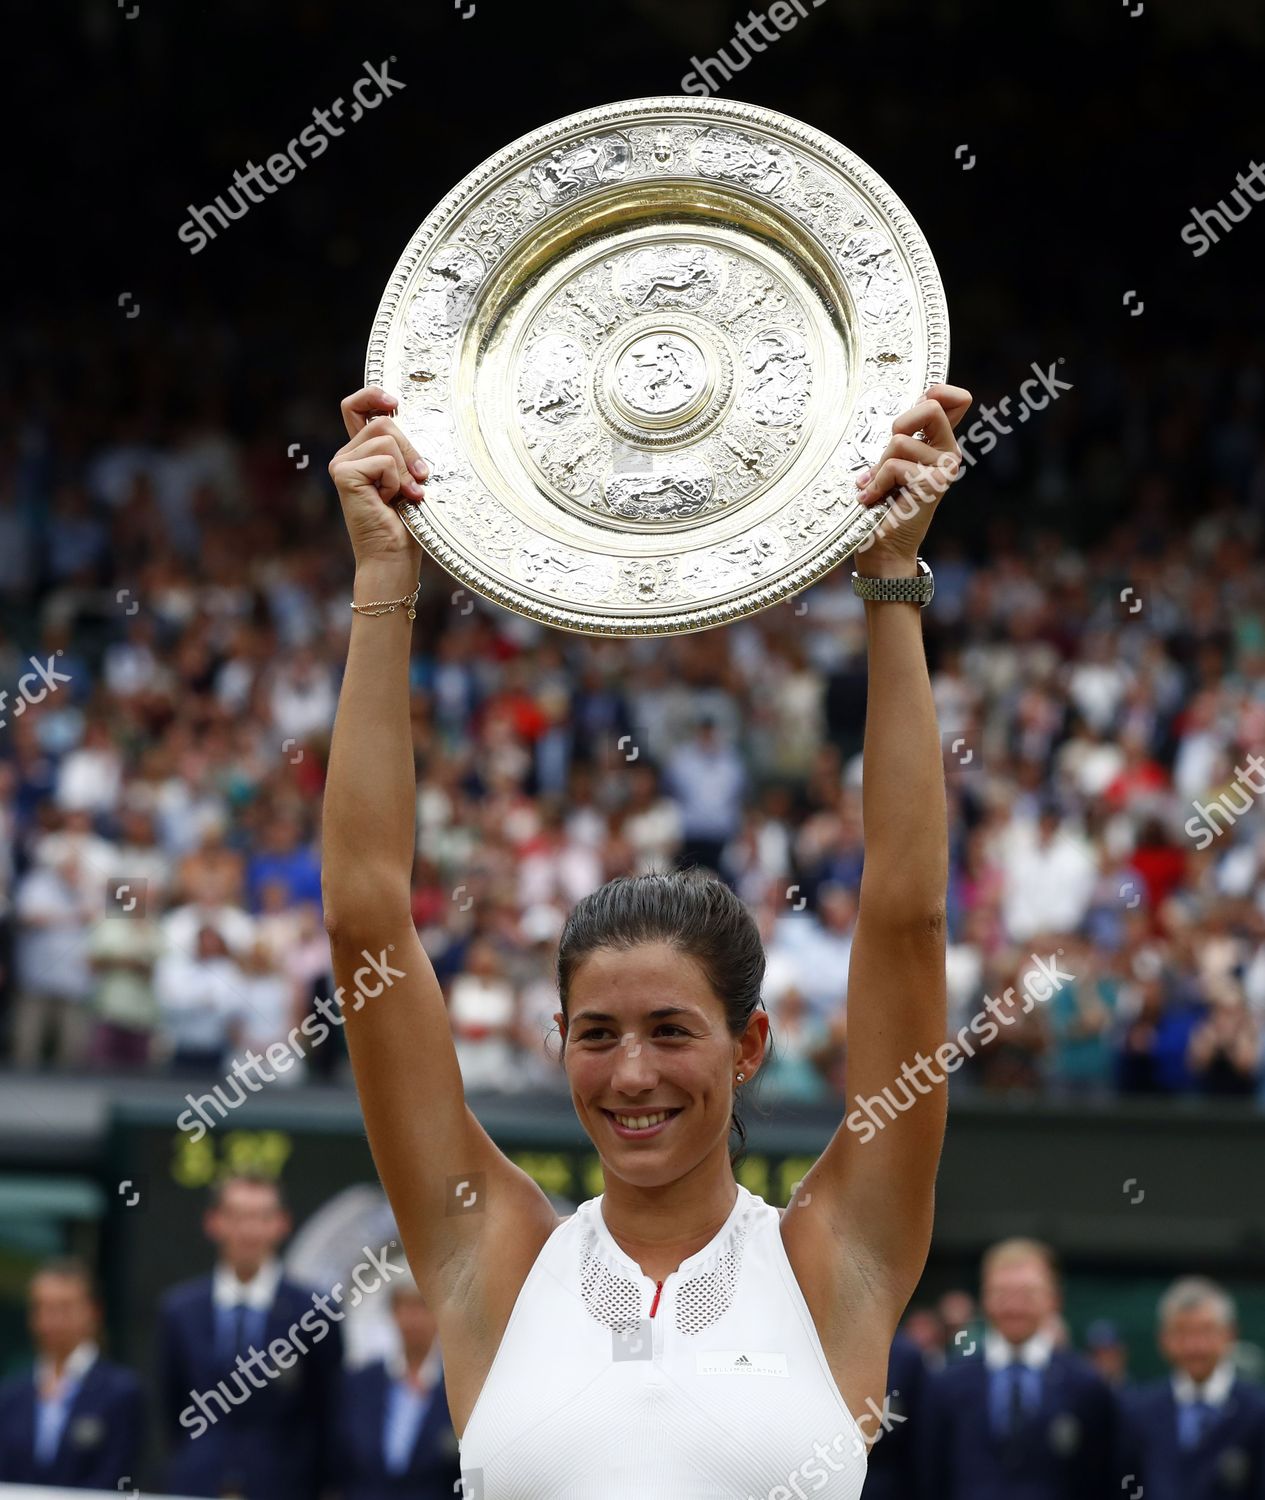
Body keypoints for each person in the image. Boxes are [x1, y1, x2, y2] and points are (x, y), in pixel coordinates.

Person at [321, 378, 971, 1499]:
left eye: (671, 1031)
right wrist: (384, 582)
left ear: (749, 1042)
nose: (630, 1075)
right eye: (596, 1033)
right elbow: (364, 917)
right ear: (556, 1039)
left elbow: (906, 919)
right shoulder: (494, 1258)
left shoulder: (830, 1256)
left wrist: (890, 585)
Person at [156, 1172, 342, 1499]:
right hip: (198, 1485)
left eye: (262, 1217)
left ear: (282, 1223)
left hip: (283, 1488)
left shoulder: (314, 1313)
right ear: (213, 1222)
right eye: (238, 1216)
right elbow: (175, 1412)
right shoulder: (180, 1311)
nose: (249, 1230)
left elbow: (325, 1413)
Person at [918, 1237, 1118, 1497]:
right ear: (984, 1297)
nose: (1014, 1305)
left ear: (1053, 1299)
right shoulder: (946, 1383)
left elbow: (1101, 1478)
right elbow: (927, 1475)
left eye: (1027, 1293)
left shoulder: (1087, 1385)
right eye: (1001, 1292)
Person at [0, 1256, 144, 1488]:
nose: (50, 1321)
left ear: (93, 1312)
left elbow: (117, 1476)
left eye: (63, 1308)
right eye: (41, 1307)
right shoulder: (11, 1394)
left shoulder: (119, 1392)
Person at [1119, 1276, 1265, 1498]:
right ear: (1163, 1339)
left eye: (1206, 1331)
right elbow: (1127, 1483)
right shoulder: (1138, 1411)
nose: (1194, 1345)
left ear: (1230, 1334)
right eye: (1182, 1332)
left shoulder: (1257, 1412)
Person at [336, 1276, 462, 1499]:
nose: (414, 1320)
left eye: (423, 1307)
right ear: (393, 1313)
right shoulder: (359, 1383)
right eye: (406, 1307)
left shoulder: (458, 1387)